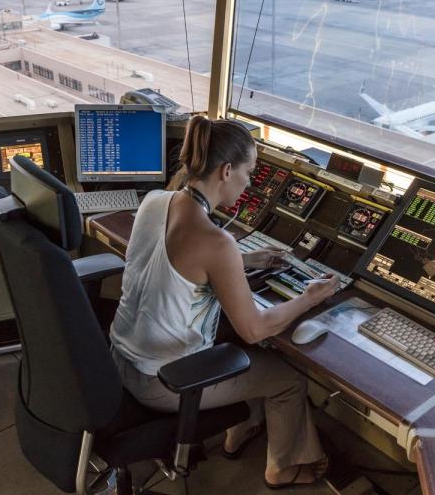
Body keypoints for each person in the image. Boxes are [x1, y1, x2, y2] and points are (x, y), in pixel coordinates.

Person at [110, 116, 338, 489]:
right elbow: (255, 329)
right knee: (288, 378)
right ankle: (283, 467)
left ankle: (240, 431)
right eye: (248, 172)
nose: (249, 183)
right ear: (227, 170)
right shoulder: (217, 243)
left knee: (231, 345)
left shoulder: (156, 201)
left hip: (119, 358)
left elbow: (176, 260)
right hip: (163, 382)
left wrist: (244, 261)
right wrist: (308, 298)